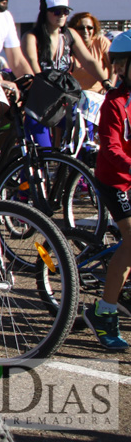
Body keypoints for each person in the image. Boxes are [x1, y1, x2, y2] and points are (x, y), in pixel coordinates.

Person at [84, 30, 131, 351]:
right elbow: (111, 148)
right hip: (115, 180)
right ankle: (104, 312)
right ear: (124, 66)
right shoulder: (115, 103)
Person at [20, 0, 109, 147]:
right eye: (56, 11)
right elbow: (33, 65)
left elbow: (88, 61)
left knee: (79, 140)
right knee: (42, 151)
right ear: (45, 12)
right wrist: (44, 84)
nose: (61, 16)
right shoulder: (32, 37)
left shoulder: (69, 34)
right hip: (40, 99)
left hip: (63, 97)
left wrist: (106, 82)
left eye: (65, 12)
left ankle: (75, 168)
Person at [69, 11, 112, 94]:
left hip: (99, 94)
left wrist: (109, 86)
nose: (85, 31)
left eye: (89, 28)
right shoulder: (67, 46)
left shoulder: (101, 42)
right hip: (75, 95)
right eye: (81, 28)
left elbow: (112, 67)